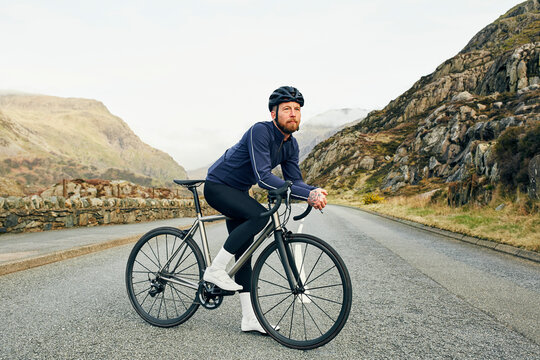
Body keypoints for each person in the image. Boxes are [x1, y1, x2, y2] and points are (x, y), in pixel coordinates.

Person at [203, 86, 328, 334]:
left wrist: (313, 192)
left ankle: (249, 319)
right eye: (286, 109)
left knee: (244, 256)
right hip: (218, 185)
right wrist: (306, 194)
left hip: (238, 191)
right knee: (259, 217)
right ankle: (215, 270)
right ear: (274, 115)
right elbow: (263, 177)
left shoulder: (290, 145)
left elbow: (297, 182)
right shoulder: (260, 131)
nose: (293, 114)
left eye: (297, 109)